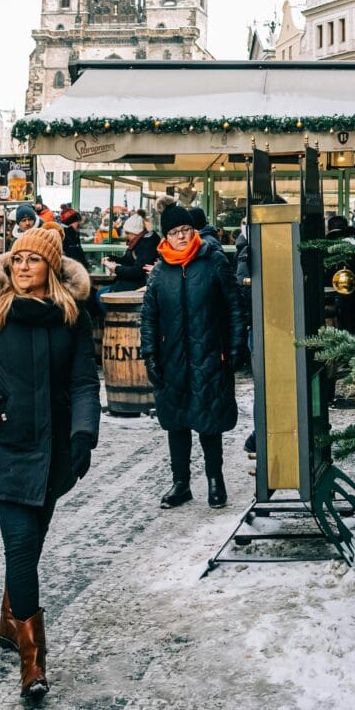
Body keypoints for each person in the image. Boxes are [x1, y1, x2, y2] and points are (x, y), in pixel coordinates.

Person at [0, 229, 97, 701]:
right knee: (22, 547)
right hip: (6, 449)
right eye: (17, 259)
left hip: (54, 453)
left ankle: (11, 622)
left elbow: (84, 384)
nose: (23, 266)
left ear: (51, 267)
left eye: (34, 259)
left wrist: (84, 433)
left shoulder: (72, 318)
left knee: (31, 547)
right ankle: (33, 663)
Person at [141, 203, 245, 510]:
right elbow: (148, 317)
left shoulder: (212, 261)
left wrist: (237, 346)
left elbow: (234, 307)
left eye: (186, 230)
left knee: (208, 419)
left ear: (194, 230)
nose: (182, 236)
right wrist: (150, 355)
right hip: (171, 357)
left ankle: (215, 480)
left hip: (210, 353)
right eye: (174, 232)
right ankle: (181, 483)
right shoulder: (160, 271)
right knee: (176, 421)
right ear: (166, 237)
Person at [107, 214, 152, 294]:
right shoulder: (136, 243)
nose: (126, 236)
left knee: (100, 294)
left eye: (127, 233)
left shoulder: (145, 245)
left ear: (135, 232)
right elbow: (127, 260)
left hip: (136, 285)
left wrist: (116, 268)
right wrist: (111, 258)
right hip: (131, 283)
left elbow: (138, 271)